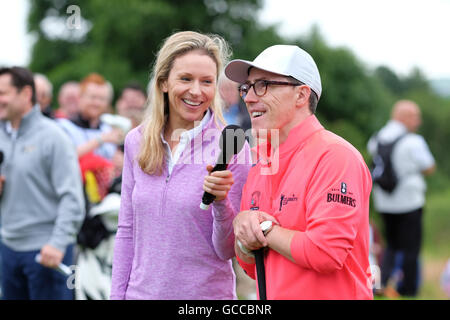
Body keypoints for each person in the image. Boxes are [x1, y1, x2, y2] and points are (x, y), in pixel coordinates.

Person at [110, 31, 252, 300]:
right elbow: (127, 231)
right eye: (185, 79)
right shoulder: (135, 141)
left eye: (207, 81)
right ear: (164, 82)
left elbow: (228, 249)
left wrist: (221, 202)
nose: (196, 91)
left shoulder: (232, 145)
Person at [226, 44, 374, 299]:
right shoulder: (260, 161)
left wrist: (264, 229)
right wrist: (242, 231)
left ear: (301, 95)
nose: (249, 97)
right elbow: (252, 266)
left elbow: (325, 252)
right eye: (247, 87)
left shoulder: (335, 156)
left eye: (263, 85)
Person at [0, 66, 85, 299]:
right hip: (7, 249)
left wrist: (57, 244)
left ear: (26, 94)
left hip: (47, 253)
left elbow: (72, 198)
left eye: (2, 93)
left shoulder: (54, 137)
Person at [367, 99, 435, 297]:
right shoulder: (414, 141)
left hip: (385, 202)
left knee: (391, 245)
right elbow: (429, 166)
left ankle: (383, 282)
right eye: (415, 116)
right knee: (411, 247)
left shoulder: (377, 138)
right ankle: (409, 288)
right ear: (402, 116)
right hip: (410, 202)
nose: (418, 121)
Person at [57, 73, 124, 160]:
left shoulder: (109, 128)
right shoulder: (64, 127)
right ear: (80, 98)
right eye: (93, 97)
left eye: (102, 99)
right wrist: (100, 140)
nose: (97, 103)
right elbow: (66, 157)